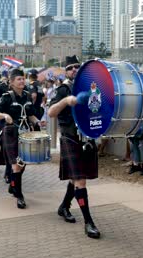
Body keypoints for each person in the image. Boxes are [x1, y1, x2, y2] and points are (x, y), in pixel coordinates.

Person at [48, 55, 101, 239]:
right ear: (66, 70)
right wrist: (65, 101)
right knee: (80, 180)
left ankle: (63, 207)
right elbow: (51, 112)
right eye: (71, 67)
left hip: (86, 138)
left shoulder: (89, 88)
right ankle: (89, 223)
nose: (75, 70)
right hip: (70, 137)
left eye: (78, 67)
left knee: (75, 179)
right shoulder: (62, 89)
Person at [0, 68, 41, 209]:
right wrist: (4, 116)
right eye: (18, 79)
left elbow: (31, 114)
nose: (22, 81)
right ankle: (19, 196)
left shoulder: (27, 96)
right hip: (10, 133)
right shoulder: (6, 96)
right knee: (16, 165)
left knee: (22, 164)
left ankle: (13, 185)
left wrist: (38, 121)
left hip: (25, 134)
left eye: (23, 78)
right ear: (12, 82)